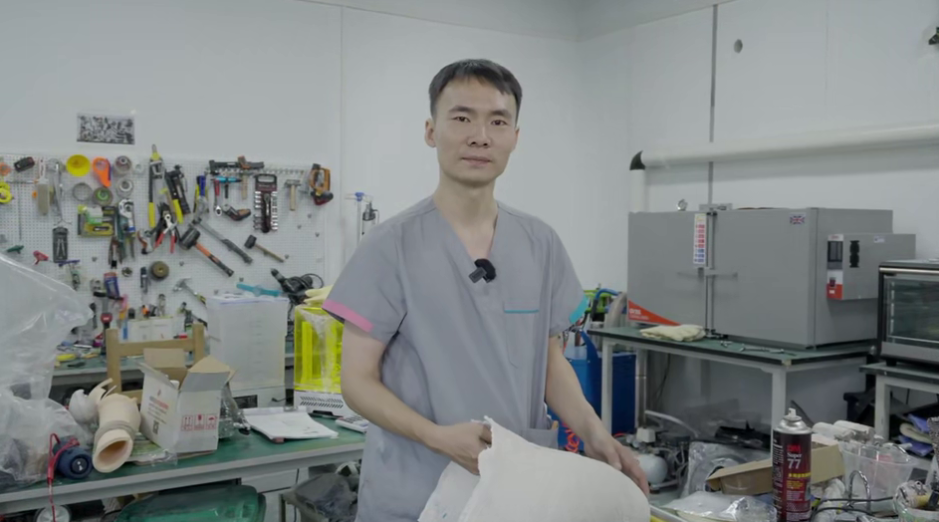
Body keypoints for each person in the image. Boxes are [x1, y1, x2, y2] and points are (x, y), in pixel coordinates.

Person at [323, 58, 649, 522]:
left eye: (497, 121)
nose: (480, 136)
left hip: (516, 494)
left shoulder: (540, 244)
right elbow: (356, 382)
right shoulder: (390, 246)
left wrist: (597, 436)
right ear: (431, 131)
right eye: (462, 118)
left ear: (515, 136)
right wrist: (437, 437)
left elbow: (551, 365)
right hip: (416, 493)